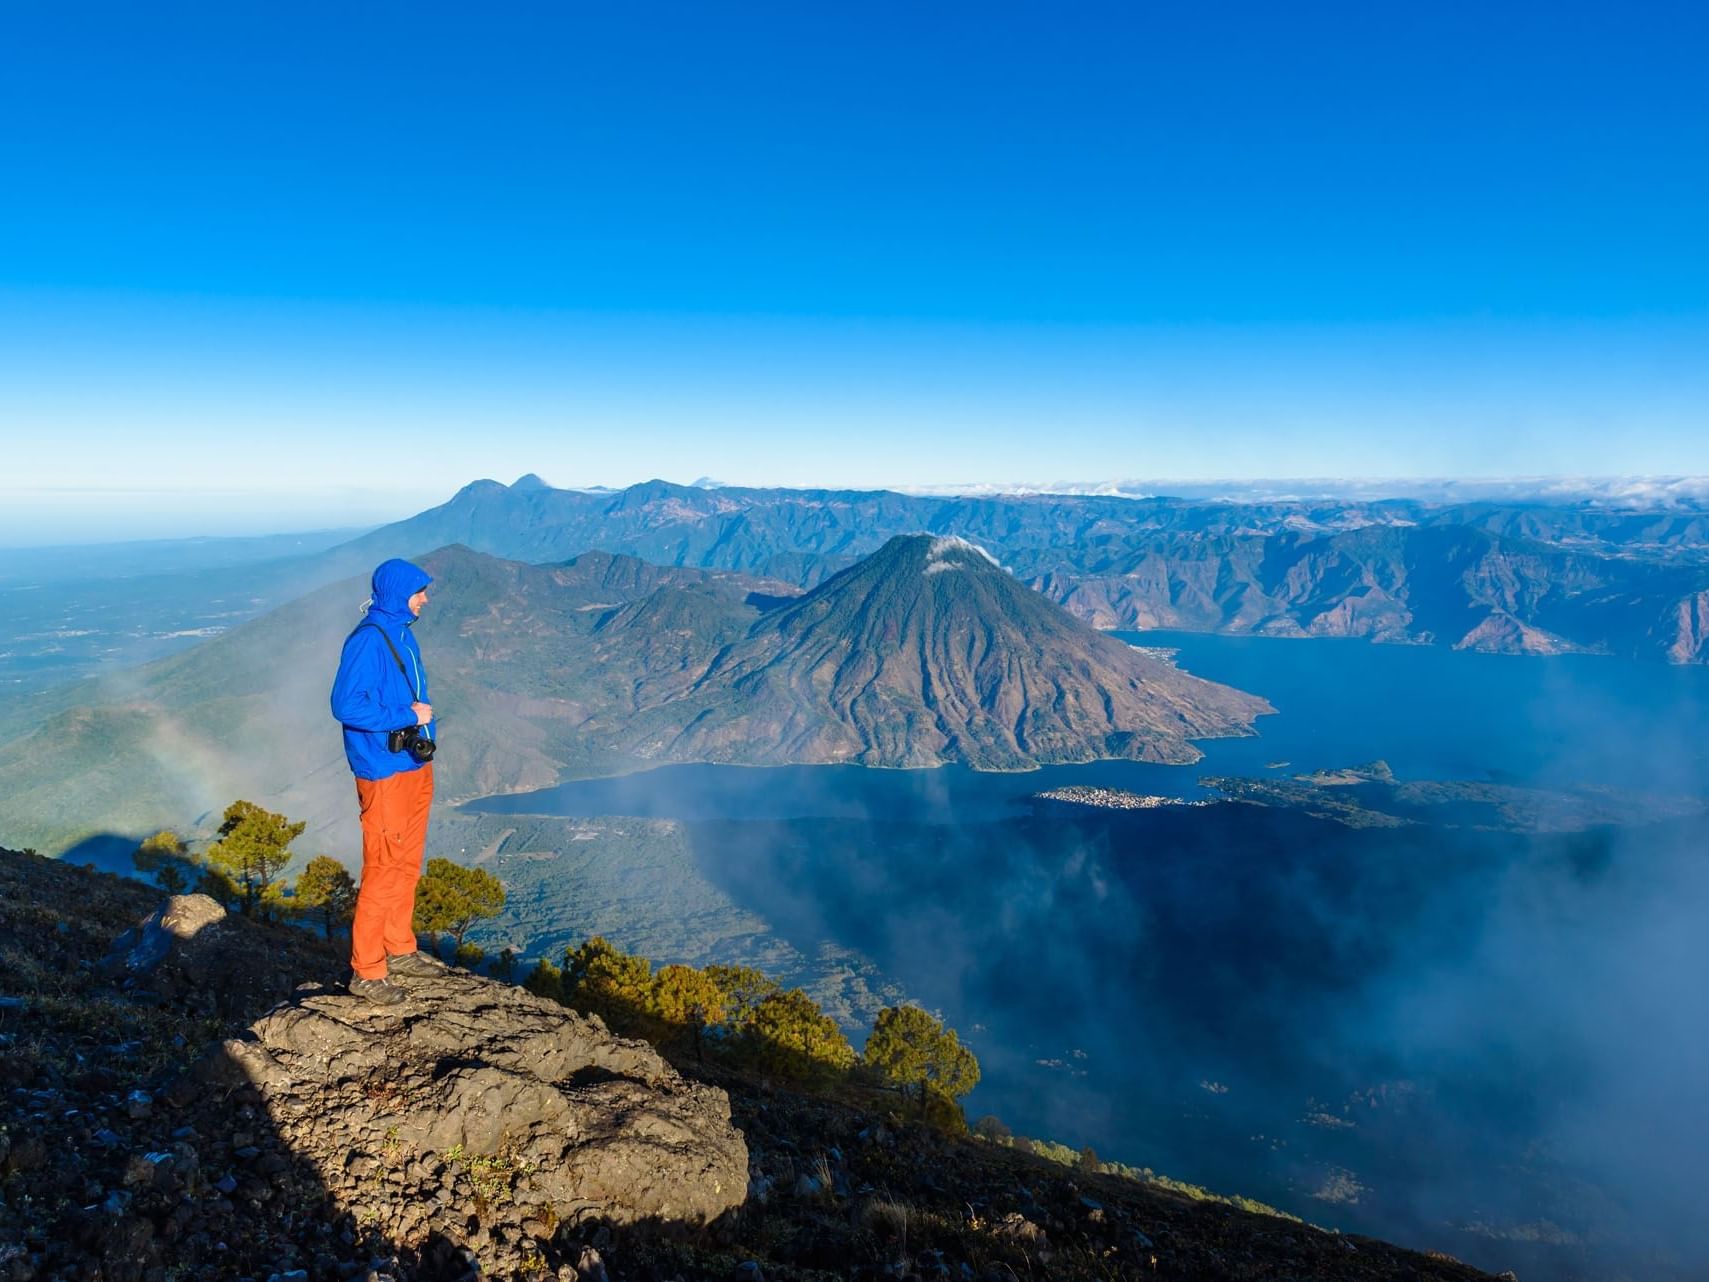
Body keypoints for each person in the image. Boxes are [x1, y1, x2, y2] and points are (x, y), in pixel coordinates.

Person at [330, 557, 440, 1004]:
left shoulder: (401, 633)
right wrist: (405, 716)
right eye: (420, 592)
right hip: (384, 771)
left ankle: (399, 946)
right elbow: (345, 705)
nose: (425, 599)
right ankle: (367, 970)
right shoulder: (367, 642)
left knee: (407, 862)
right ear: (399, 594)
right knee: (383, 866)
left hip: (414, 765)